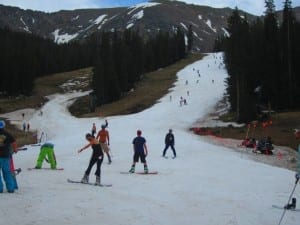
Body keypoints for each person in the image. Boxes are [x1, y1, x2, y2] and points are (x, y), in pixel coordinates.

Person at [0, 120, 18, 193]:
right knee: (7, 172)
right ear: (3, 126)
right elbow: (14, 142)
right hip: (6, 156)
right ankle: (10, 188)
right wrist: (15, 149)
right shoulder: (7, 134)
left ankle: (0, 189)